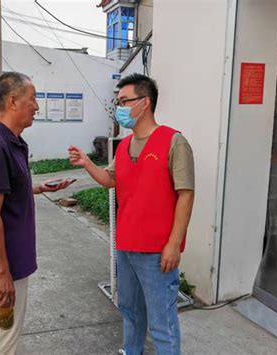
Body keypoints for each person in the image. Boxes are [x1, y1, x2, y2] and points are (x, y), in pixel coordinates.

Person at [69, 73, 195, 355]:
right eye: (118, 102)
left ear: (144, 103)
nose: (120, 107)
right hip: (126, 247)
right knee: (131, 312)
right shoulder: (124, 146)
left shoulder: (174, 142)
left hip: (158, 253)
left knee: (162, 322)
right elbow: (109, 180)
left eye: (125, 101)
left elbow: (186, 194)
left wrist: (174, 244)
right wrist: (87, 162)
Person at [0, 72, 73, 355]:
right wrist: (2, 272)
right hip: (5, 263)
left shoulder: (12, 142)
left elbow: (7, 191)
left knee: (7, 333)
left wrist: (38, 187)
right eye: (32, 99)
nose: (37, 106)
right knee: (3, 336)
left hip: (12, 260)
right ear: (13, 101)